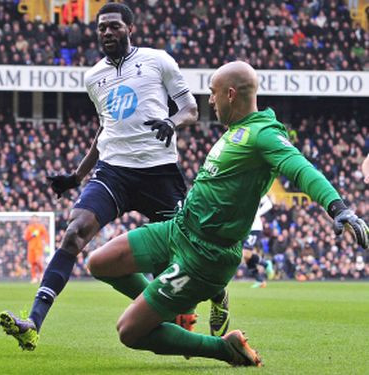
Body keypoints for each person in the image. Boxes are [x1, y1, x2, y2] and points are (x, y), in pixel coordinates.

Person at [84, 61, 368, 366]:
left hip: (205, 256)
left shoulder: (263, 135)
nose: (209, 100)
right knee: (99, 263)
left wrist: (338, 208)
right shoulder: (237, 130)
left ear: (230, 94)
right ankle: (175, 310)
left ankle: (224, 349)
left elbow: (300, 168)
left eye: (212, 92)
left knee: (128, 331)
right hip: (177, 231)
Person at [0, 2, 233, 351]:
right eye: (101, 28)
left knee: (188, 253)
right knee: (74, 234)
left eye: (113, 26)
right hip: (114, 172)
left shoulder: (158, 61)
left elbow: (191, 110)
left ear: (130, 29)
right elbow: (104, 129)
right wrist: (78, 176)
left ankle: (218, 296)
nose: (107, 32)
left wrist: (172, 121)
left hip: (158, 172)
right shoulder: (94, 77)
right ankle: (34, 321)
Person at [242, 195, 275, 288]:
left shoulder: (255, 189)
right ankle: (259, 280)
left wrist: (257, 213)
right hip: (242, 227)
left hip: (254, 227)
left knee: (246, 253)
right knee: (246, 256)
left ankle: (266, 264)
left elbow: (269, 204)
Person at [24, 216, 49, 284]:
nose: (35, 221)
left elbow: (46, 235)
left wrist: (46, 243)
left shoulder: (41, 227)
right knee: (32, 263)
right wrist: (32, 235)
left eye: (36, 220)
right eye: (33, 220)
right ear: (31, 220)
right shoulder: (29, 228)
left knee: (38, 261)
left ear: (38, 220)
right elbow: (26, 238)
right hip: (31, 248)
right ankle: (34, 278)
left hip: (38, 247)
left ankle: (41, 274)